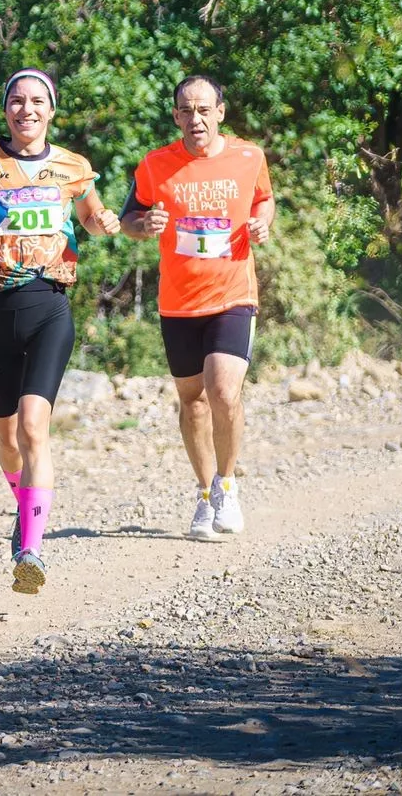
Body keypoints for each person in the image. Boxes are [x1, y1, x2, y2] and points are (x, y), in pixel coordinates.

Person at [0, 69, 119, 593]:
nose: (27, 110)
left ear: (51, 111)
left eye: (38, 102)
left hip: (49, 306)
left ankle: (30, 550)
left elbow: (93, 213)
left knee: (36, 427)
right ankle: (25, 505)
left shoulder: (73, 167)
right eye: (17, 101)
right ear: (6, 108)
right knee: (7, 438)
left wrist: (103, 223)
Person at [120, 75, 274, 542]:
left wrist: (262, 224)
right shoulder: (155, 165)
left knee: (224, 390)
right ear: (175, 117)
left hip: (233, 295)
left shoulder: (249, 157)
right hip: (179, 302)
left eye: (204, 109)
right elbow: (129, 220)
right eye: (186, 111)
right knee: (193, 401)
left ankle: (228, 486)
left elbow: (265, 201)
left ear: (220, 112)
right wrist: (144, 223)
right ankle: (206, 495)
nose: (196, 119)